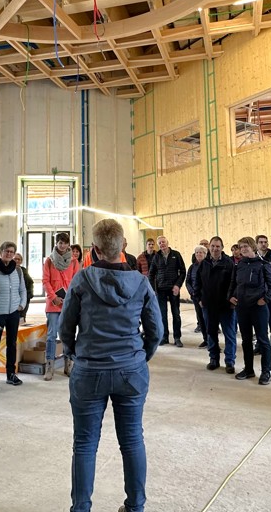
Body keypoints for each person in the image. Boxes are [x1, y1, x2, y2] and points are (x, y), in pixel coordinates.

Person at [59, 218, 161, 512]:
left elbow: (66, 327)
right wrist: (140, 357)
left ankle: (81, 508)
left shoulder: (81, 279)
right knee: (131, 440)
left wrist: (74, 353)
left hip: (89, 370)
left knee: (85, 443)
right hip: (131, 371)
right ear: (123, 247)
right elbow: (156, 331)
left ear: (94, 249)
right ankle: (135, 506)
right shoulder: (140, 282)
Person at [228, 237, 271, 385]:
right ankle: (249, 369)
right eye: (240, 247)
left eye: (246, 246)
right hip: (242, 307)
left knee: (263, 340)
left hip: (258, 307)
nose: (243, 249)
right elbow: (233, 283)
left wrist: (266, 299)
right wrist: (231, 296)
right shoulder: (239, 265)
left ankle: (266, 372)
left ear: (253, 247)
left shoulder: (263, 264)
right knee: (246, 340)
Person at [0, 241, 28, 392]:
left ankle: (11, 374)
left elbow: (23, 290)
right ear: (1, 252)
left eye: (12, 252)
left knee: (12, 344)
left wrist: (21, 305)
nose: (9, 254)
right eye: (6, 251)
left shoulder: (18, 271)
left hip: (13, 314)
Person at [194, 237, 237, 373]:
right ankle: (214, 359)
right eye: (212, 246)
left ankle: (229, 361)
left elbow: (234, 283)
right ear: (209, 247)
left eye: (218, 246)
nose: (215, 249)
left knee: (229, 334)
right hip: (208, 305)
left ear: (222, 247)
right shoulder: (203, 264)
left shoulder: (229, 263)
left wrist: (231, 300)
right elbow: (197, 283)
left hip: (226, 306)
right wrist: (199, 298)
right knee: (211, 333)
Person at [43, 232, 80, 381]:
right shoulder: (49, 261)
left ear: (68, 244)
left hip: (68, 303)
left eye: (65, 243)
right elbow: (45, 281)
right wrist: (54, 297)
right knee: (51, 335)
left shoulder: (74, 262)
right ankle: (49, 366)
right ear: (56, 243)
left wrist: (70, 299)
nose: (62, 245)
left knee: (68, 335)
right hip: (53, 304)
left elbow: (77, 281)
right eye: (60, 243)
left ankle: (68, 364)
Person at [148, 236, 186, 347]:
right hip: (160, 290)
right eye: (159, 243)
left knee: (176, 314)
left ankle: (177, 337)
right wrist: (153, 289)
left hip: (173, 289)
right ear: (158, 245)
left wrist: (178, 285)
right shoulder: (156, 256)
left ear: (167, 243)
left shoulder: (176, 254)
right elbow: (151, 274)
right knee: (162, 315)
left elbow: (183, 271)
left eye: (163, 242)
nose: (162, 244)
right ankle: (164, 337)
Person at [185, 245, 208, 348]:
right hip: (196, 297)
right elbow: (188, 281)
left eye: (201, 252)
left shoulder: (209, 265)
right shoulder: (192, 267)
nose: (199, 254)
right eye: (197, 252)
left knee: (208, 319)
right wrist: (192, 292)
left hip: (206, 297)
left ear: (205, 254)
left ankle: (212, 340)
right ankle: (205, 339)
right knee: (201, 319)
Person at [14, 253, 34, 322]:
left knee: (22, 319)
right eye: (15, 259)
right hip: (14, 300)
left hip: (24, 299)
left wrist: (29, 295)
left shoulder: (23, 270)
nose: (17, 261)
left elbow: (30, 282)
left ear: (21, 261)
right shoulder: (8, 270)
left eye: (18, 259)